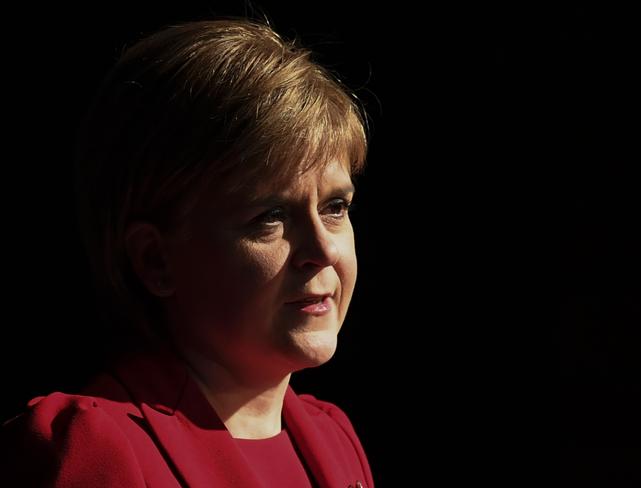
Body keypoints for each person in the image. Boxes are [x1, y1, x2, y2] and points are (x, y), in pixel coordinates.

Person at [2, 18, 373, 487]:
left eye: (335, 207)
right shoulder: (91, 445)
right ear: (155, 260)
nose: (321, 249)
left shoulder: (335, 436)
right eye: (269, 217)